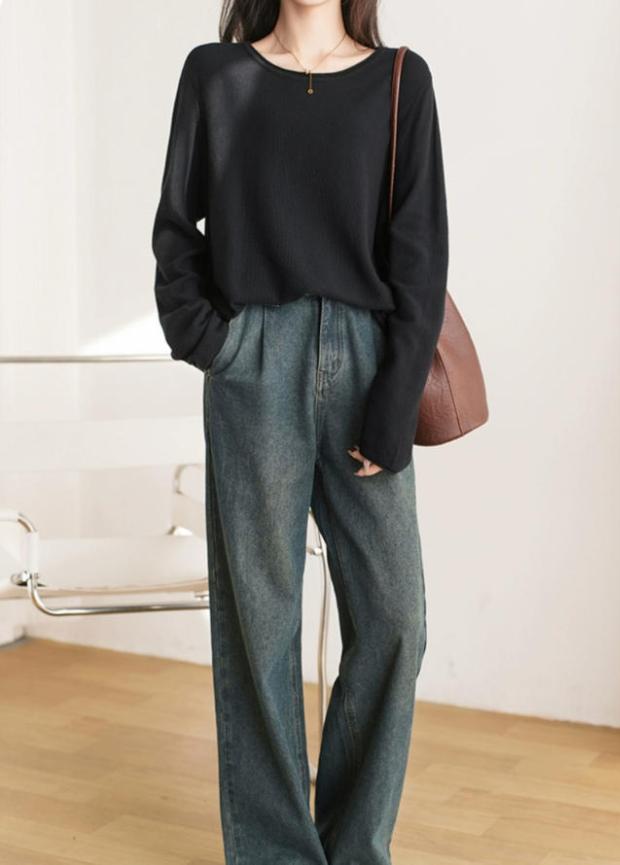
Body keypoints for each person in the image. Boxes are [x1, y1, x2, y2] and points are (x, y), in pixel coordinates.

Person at [151, 0, 449, 862]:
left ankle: (353, 847)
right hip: (254, 364)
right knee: (261, 626)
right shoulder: (215, 75)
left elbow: (421, 251)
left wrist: (393, 402)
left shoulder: (401, 81)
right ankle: (277, 852)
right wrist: (215, 342)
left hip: (368, 365)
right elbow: (176, 230)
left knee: (395, 618)